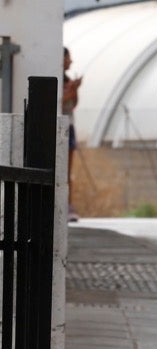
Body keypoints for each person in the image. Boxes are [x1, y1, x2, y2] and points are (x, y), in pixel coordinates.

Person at [62, 48, 82, 223]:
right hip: (61, 126)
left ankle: (68, 204)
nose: (70, 62)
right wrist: (70, 90)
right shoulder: (57, 79)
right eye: (68, 58)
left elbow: (72, 104)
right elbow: (59, 101)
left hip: (70, 125)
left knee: (68, 169)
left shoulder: (66, 80)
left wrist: (74, 90)